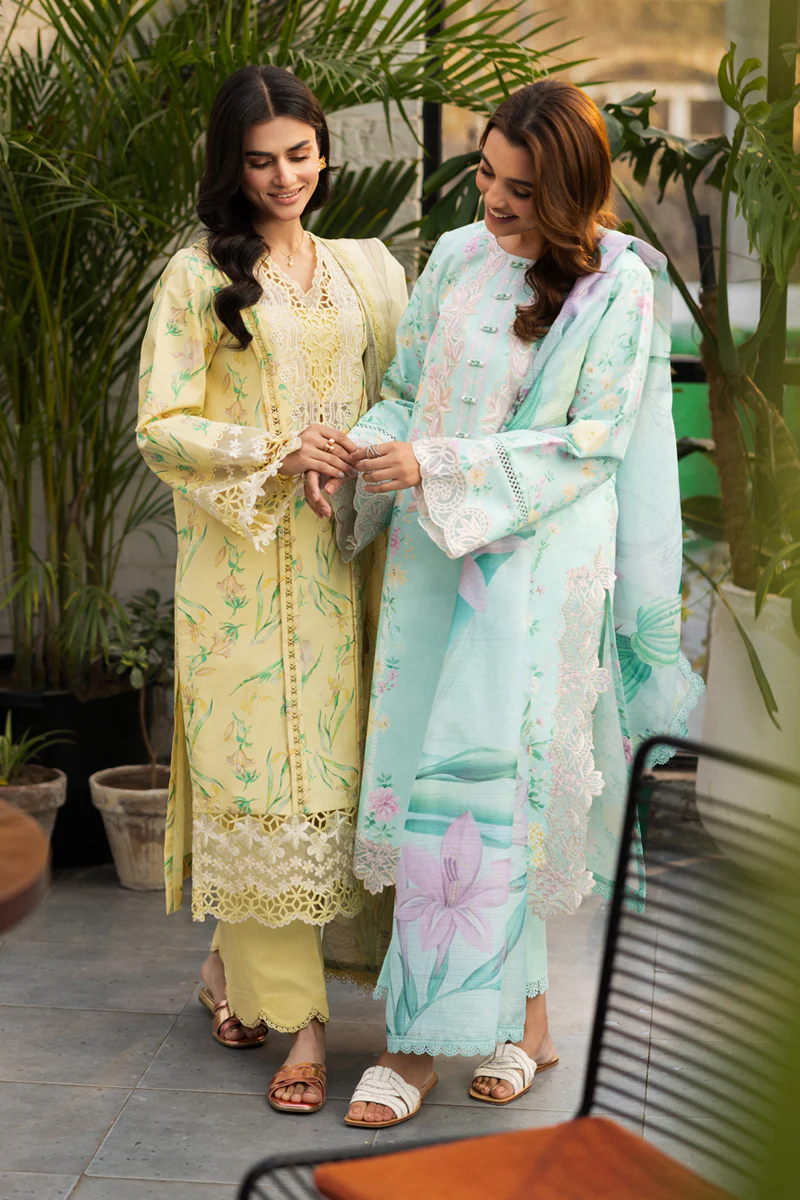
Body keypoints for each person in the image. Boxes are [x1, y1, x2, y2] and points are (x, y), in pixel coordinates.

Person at [305, 78, 703, 1127]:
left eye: (520, 189)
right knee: (451, 787)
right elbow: (406, 390)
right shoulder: (455, 258)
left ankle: (414, 1048)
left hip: (531, 582)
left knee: (483, 793)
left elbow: (589, 444)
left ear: (569, 192)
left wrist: (433, 464)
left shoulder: (618, 288)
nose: (493, 200)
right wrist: (360, 449)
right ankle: (528, 1026)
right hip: (434, 569)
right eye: (485, 174)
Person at [136, 64, 407, 1115]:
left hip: (343, 564)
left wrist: (358, 451)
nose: (285, 177)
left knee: (327, 783)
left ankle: (227, 969)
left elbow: (400, 392)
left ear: (323, 152)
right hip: (242, 573)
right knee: (261, 784)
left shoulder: (364, 271)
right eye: (261, 162)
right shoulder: (196, 276)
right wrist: (274, 450)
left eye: (299, 154)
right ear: (232, 167)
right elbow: (162, 425)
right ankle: (301, 1025)